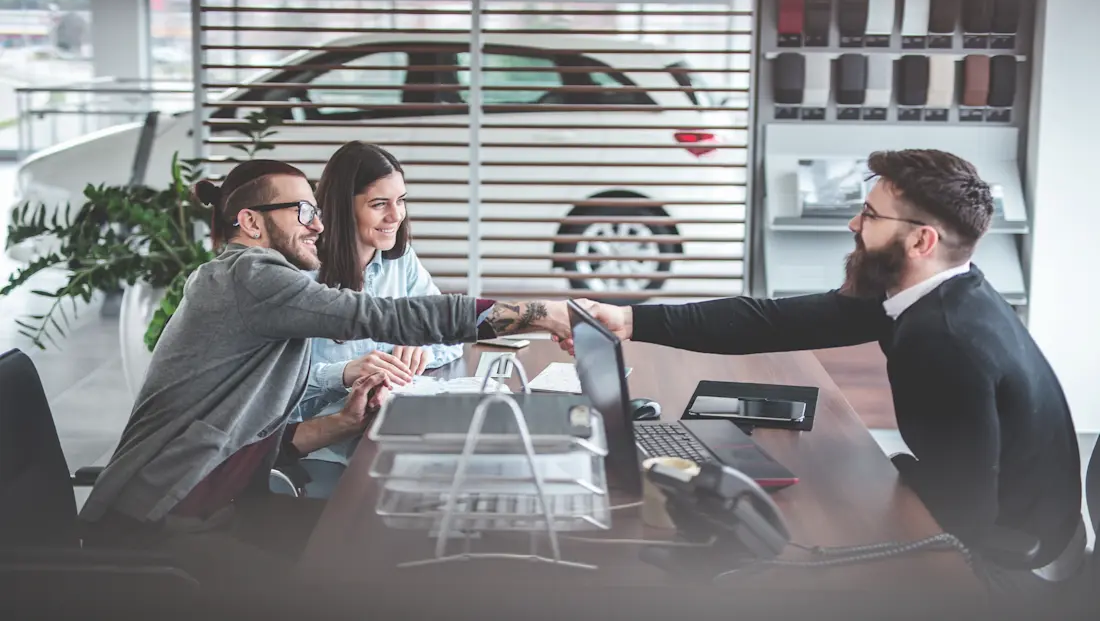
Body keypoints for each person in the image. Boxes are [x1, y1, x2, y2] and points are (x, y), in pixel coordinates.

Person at [564, 149, 1084, 591]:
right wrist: (629, 320)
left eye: (871, 216)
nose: (854, 224)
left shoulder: (944, 338)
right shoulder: (935, 291)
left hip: (1013, 556)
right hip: (999, 511)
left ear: (921, 241)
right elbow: (770, 321)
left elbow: (966, 516)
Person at [79, 158, 570, 604]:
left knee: (392, 546)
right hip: (161, 530)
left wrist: (340, 423)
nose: (318, 224)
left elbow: (243, 437)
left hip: (221, 507)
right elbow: (390, 316)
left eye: (315, 211)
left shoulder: (255, 284)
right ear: (251, 222)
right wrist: (543, 313)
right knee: (361, 587)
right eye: (302, 212)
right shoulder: (250, 277)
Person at [288, 142, 464, 497]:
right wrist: (344, 372)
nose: (395, 215)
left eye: (401, 201)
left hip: (385, 430)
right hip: (322, 445)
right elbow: (276, 383)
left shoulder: (400, 260)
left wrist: (422, 347)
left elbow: (451, 331)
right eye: (379, 204)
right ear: (342, 208)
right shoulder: (301, 273)